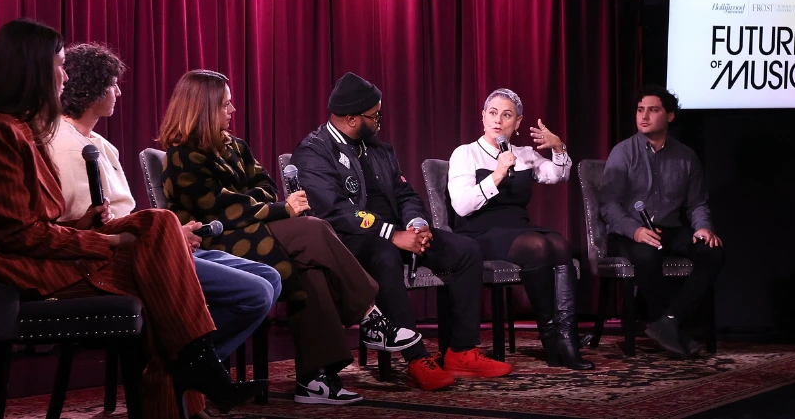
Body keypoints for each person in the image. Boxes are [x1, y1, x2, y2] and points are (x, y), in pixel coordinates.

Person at [0, 19, 265, 419]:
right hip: (31, 270)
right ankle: (196, 374)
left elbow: (34, 219)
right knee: (161, 280)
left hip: (48, 253)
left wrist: (83, 224)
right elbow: (19, 236)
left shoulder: (21, 129)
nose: (65, 75)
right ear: (32, 68)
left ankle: (194, 368)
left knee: (159, 223)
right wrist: (108, 242)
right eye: (60, 64)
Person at [158, 69, 421, 406]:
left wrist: (258, 202)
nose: (233, 110)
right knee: (312, 228)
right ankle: (369, 314)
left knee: (309, 270)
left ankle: (314, 380)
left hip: (256, 229)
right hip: (216, 241)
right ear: (204, 108)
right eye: (225, 105)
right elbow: (219, 208)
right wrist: (276, 209)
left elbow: (265, 185)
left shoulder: (235, 146)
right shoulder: (182, 156)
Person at [48, 43, 281, 417]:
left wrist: (173, 234)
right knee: (254, 293)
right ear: (91, 89)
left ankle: (180, 364)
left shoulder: (100, 145)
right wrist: (163, 237)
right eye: (112, 84)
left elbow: (123, 214)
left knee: (267, 275)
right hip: (115, 259)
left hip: (142, 245)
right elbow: (89, 226)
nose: (119, 92)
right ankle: (183, 367)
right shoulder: (64, 146)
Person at [292, 72, 513, 392]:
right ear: (352, 118)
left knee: (465, 250)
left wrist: (416, 225)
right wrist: (390, 234)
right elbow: (336, 211)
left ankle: (461, 350)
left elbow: (406, 195)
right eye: (375, 115)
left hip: (400, 232)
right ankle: (416, 358)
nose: (380, 120)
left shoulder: (381, 150)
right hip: (352, 240)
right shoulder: (314, 151)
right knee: (383, 254)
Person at [447, 88, 593, 370]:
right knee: (538, 247)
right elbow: (462, 207)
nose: (498, 121)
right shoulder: (466, 154)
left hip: (518, 230)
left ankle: (565, 338)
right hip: (478, 232)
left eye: (506, 115)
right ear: (483, 117)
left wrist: (558, 147)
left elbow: (558, 176)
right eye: (492, 113)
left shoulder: (524, 154)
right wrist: (498, 174)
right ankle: (552, 338)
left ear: (517, 122)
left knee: (560, 245)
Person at [599, 85, 725, 358]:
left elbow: (697, 204)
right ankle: (673, 330)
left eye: (653, 110)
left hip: (668, 229)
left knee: (712, 253)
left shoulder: (685, 156)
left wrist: (703, 227)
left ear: (669, 116)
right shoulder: (624, 152)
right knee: (646, 256)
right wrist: (636, 231)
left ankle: (669, 321)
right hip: (629, 233)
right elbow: (609, 205)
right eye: (640, 110)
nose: (643, 116)